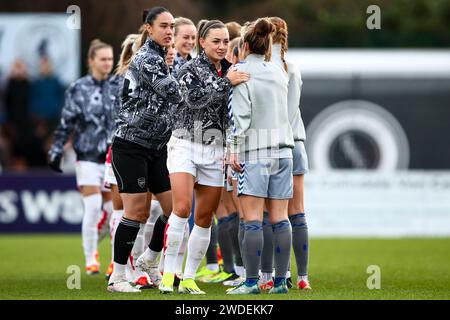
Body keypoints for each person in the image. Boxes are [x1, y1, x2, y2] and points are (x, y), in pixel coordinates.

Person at [159, 19, 249, 294]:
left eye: (225, 42)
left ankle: (188, 277)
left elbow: (235, 113)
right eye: (216, 41)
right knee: (182, 207)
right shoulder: (188, 69)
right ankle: (168, 273)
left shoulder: (233, 71)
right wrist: (225, 83)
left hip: (215, 149)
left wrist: (233, 147)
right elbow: (194, 99)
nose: (222, 46)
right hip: (185, 143)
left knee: (205, 217)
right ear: (202, 42)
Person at [107, 6, 182, 293]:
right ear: (148, 29)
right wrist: (219, 84)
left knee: (175, 208)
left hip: (156, 147)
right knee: (136, 212)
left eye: (171, 26)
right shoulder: (147, 58)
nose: (169, 31)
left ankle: (150, 258)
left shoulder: (163, 58)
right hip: (131, 146)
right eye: (163, 26)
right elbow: (174, 93)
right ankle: (118, 277)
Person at [226, 18, 294, 295]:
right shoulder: (278, 70)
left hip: (256, 151)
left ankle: (252, 282)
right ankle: (280, 282)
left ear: (243, 45)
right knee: (281, 218)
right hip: (283, 151)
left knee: (252, 219)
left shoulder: (241, 72)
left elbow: (240, 118)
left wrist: (233, 149)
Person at [48, 39, 116, 275]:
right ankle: (90, 258)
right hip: (87, 155)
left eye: (110, 59)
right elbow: (66, 122)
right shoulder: (78, 88)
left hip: (113, 157)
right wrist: (56, 148)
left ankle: (113, 258)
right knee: (94, 206)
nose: (108, 63)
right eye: (103, 59)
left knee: (113, 212)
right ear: (91, 61)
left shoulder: (118, 85)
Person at [269, 16, 311, 290]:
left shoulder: (263, 68)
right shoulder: (292, 66)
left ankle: (272, 274)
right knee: (297, 213)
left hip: (272, 144)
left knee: (269, 215)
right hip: (297, 144)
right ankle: (303, 277)